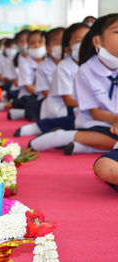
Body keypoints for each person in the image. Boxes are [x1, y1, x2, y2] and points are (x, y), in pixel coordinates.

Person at [30, 15, 118, 157]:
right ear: (97, 41)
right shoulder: (85, 71)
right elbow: (94, 112)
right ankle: (64, 137)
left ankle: (86, 147)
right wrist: (115, 120)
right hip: (95, 122)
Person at [7, 30, 46, 120]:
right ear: (28, 46)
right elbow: (28, 87)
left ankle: (22, 112)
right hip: (31, 94)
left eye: (40, 42)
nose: (36, 45)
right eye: (32, 43)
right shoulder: (24, 63)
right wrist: (45, 94)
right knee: (31, 101)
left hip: (46, 94)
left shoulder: (49, 61)